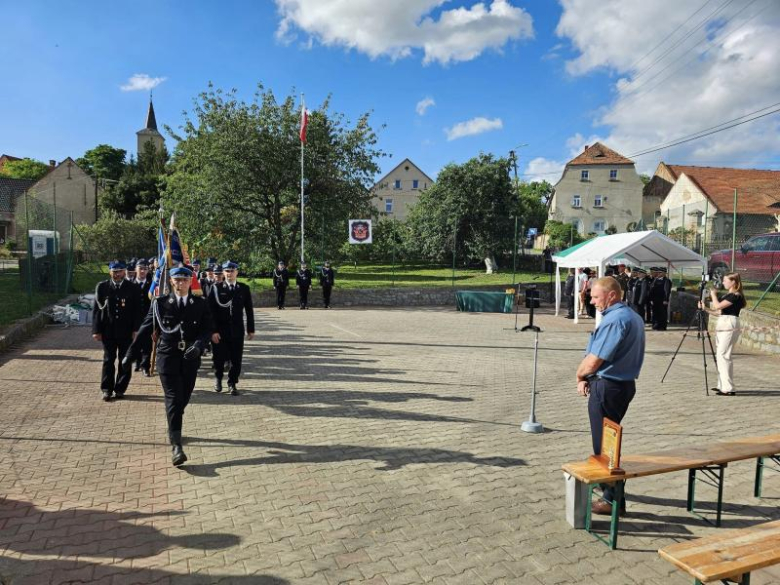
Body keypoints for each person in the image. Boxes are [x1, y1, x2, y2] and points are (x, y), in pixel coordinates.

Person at [125, 265, 218, 466]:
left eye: (185, 279)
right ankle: (177, 446)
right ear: (171, 281)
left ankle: (173, 423)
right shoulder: (160, 303)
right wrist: (131, 354)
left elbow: (207, 328)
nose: (181, 283)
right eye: (178, 279)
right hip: (167, 356)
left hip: (190, 357)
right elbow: (145, 328)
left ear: (190, 282)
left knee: (183, 398)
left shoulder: (200, 303)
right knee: (174, 398)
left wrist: (200, 345)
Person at [576, 277, 645, 515]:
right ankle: (614, 495)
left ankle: (612, 500)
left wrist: (580, 375)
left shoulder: (616, 320)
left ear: (612, 295)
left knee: (603, 447)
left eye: (595, 297)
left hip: (608, 387)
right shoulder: (632, 316)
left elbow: (595, 359)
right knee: (609, 443)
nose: (591, 301)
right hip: (621, 385)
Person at [92, 260, 142, 401]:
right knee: (108, 360)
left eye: (120, 271)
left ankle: (120, 388)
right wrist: (96, 330)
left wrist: (136, 329)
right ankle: (107, 389)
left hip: (127, 331)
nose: (117, 274)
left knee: (124, 361)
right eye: (114, 272)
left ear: (125, 272)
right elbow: (97, 310)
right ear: (110, 272)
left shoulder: (133, 288)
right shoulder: (102, 287)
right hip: (108, 331)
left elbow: (138, 311)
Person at [209, 260, 255, 395]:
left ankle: (232, 383)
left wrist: (250, 329)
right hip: (220, 331)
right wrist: (213, 331)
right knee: (219, 358)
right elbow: (210, 312)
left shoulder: (244, 288)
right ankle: (218, 378)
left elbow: (249, 310)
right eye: (227, 271)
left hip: (237, 330)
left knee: (236, 359)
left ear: (237, 272)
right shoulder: (216, 288)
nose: (229, 273)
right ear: (223, 272)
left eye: (232, 271)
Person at [699, 272, 745, 396]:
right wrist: (705, 309)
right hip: (724, 321)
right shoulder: (729, 295)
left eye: (725, 280)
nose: (723, 282)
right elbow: (720, 312)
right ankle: (722, 385)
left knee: (724, 355)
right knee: (721, 355)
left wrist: (713, 295)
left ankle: (728, 388)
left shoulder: (736, 295)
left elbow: (718, 306)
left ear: (733, 282)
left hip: (730, 323)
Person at [133, 258, 153, 376]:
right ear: (136, 269)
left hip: (147, 319)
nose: (142, 271)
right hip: (134, 320)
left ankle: (146, 366)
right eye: (140, 268)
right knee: (135, 341)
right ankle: (137, 361)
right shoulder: (130, 285)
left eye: (145, 269)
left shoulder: (151, 285)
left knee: (147, 344)